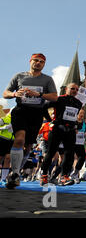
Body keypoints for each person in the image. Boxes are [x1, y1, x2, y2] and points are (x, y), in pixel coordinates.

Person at [3, 53, 58, 189]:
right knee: (19, 139)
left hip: (36, 113)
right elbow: (5, 93)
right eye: (36, 60)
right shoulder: (19, 76)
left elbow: (55, 97)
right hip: (21, 110)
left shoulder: (47, 80)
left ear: (44, 64)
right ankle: (15, 174)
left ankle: (16, 172)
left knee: (28, 146)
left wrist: (39, 94)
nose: (38, 63)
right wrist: (15, 94)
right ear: (30, 61)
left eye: (41, 62)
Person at [40, 83, 83, 186]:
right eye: (72, 88)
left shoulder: (78, 103)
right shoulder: (59, 99)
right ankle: (44, 175)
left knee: (69, 154)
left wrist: (76, 124)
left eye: (77, 89)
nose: (75, 91)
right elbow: (44, 107)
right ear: (66, 89)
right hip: (57, 128)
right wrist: (50, 120)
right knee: (51, 153)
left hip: (70, 130)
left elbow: (73, 116)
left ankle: (64, 176)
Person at [70, 109, 86, 183]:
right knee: (73, 158)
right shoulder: (73, 122)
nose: (82, 115)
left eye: (83, 113)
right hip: (72, 142)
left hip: (80, 143)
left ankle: (75, 172)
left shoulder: (85, 123)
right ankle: (73, 175)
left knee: (82, 158)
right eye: (80, 113)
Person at [0, 113, 14, 185]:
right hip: (2, 140)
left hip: (12, 141)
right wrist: (4, 127)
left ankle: (3, 179)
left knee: (8, 158)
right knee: (0, 158)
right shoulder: (4, 119)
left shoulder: (19, 120)